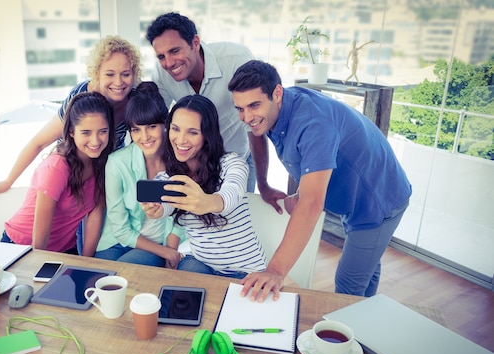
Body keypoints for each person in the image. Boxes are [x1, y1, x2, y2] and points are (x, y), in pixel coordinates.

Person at [228, 60, 411, 300]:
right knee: (366, 266)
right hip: (355, 194)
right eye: (240, 108)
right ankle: (368, 315)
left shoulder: (314, 124)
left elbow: (313, 203)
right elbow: (255, 133)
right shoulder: (271, 111)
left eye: (253, 106)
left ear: (277, 93)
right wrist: (263, 184)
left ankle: (356, 330)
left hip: (378, 201)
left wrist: (275, 271)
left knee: (348, 283)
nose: (246, 117)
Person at [0, 35, 141, 196]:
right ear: (97, 74)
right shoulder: (81, 96)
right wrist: (8, 181)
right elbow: (39, 143)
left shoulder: (134, 101)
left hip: (102, 176)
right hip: (70, 171)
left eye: (125, 74)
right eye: (110, 74)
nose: (119, 82)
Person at [142, 95, 266, 278]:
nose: (180, 140)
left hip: (245, 270)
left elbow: (233, 192)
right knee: (173, 298)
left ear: (207, 135)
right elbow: (166, 204)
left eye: (192, 132)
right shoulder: (168, 176)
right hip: (199, 263)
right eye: (175, 129)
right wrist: (156, 209)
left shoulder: (233, 163)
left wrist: (207, 202)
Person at [145, 12, 257, 192]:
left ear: (195, 43)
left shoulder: (237, 60)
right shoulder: (161, 74)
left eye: (175, 51)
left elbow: (255, 124)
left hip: (237, 158)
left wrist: (265, 183)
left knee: (237, 214)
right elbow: (157, 125)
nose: (169, 63)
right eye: (161, 56)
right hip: (192, 167)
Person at [0, 92, 114, 255]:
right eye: (86, 133)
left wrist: (87, 263)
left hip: (64, 250)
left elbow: (95, 216)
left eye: (102, 131)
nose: (95, 141)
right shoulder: (56, 168)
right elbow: (39, 244)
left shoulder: (103, 163)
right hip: (22, 248)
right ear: (71, 132)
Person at [95, 82, 184, 268]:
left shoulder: (180, 160)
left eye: (151, 126)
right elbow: (120, 229)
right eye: (136, 129)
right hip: (116, 242)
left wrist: (170, 250)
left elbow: (181, 217)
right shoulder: (117, 163)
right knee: (100, 280)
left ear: (165, 124)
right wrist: (166, 253)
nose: (144, 137)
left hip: (153, 246)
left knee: (124, 274)